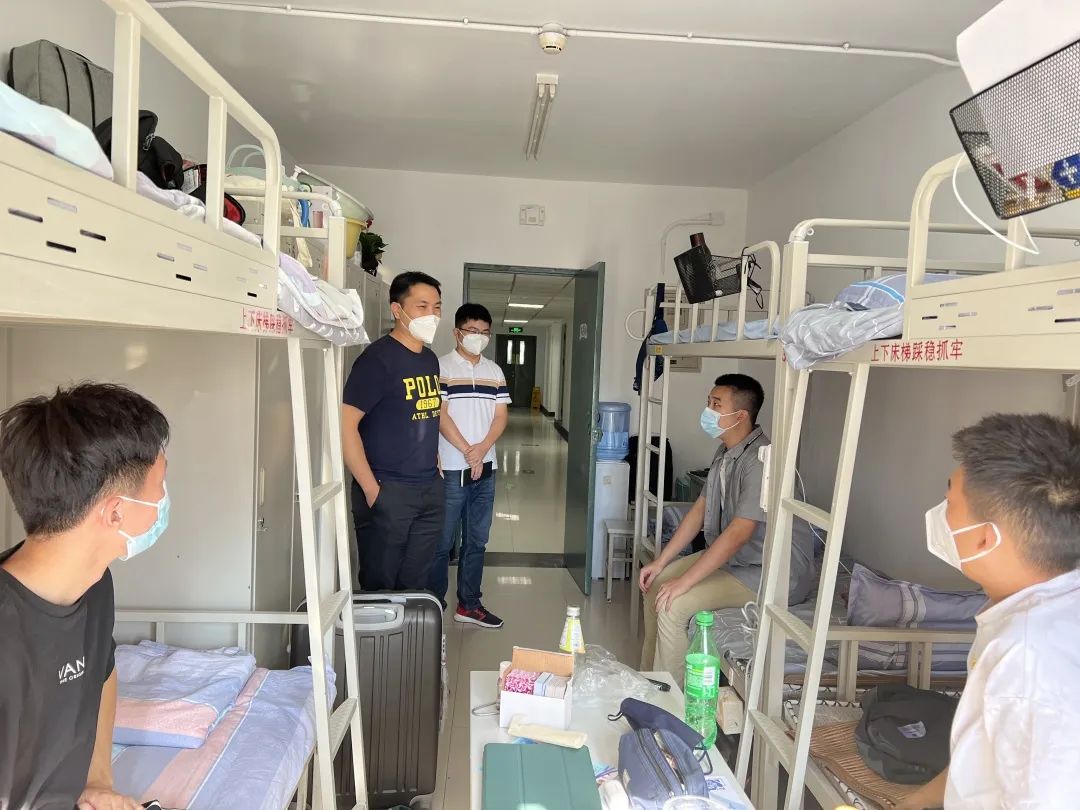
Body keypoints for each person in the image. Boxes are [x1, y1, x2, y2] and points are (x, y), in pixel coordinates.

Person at [896, 413, 1080, 810]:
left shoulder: (1031, 661)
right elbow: (982, 759)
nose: (940, 514)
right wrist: (916, 802)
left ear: (984, 538)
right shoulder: (1041, 610)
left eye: (949, 503)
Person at [0, 383, 170, 810]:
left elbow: (101, 671)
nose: (164, 501)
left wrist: (98, 779)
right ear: (115, 512)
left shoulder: (94, 587)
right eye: (160, 485)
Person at [639, 373, 815, 684]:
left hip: (767, 572)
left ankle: (671, 699)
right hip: (737, 561)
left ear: (741, 415)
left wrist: (684, 583)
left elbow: (738, 533)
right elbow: (699, 510)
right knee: (656, 586)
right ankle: (650, 683)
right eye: (708, 402)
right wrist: (661, 562)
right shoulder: (726, 451)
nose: (707, 410)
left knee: (673, 604)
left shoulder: (761, 461)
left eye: (716, 404)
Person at [343, 270, 445, 591]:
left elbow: (425, 413)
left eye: (437, 307)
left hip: (429, 488)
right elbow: (345, 425)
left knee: (415, 584)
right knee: (381, 586)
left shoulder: (429, 360)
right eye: (422, 306)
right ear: (397, 310)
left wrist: (435, 461)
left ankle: (409, 630)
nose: (432, 315)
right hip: (388, 490)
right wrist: (372, 490)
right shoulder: (377, 360)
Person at [429, 304, 510, 628]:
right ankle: (433, 605)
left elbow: (500, 416)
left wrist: (483, 449)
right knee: (442, 543)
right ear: (457, 333)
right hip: (451, 469)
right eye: (472, 331)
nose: (479, 337)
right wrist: (468, 451)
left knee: (476, 542)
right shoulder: (441, 367)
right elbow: (440, 415)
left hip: (486, 470)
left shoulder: (495, 372)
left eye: (484, 332)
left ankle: (470, 605)